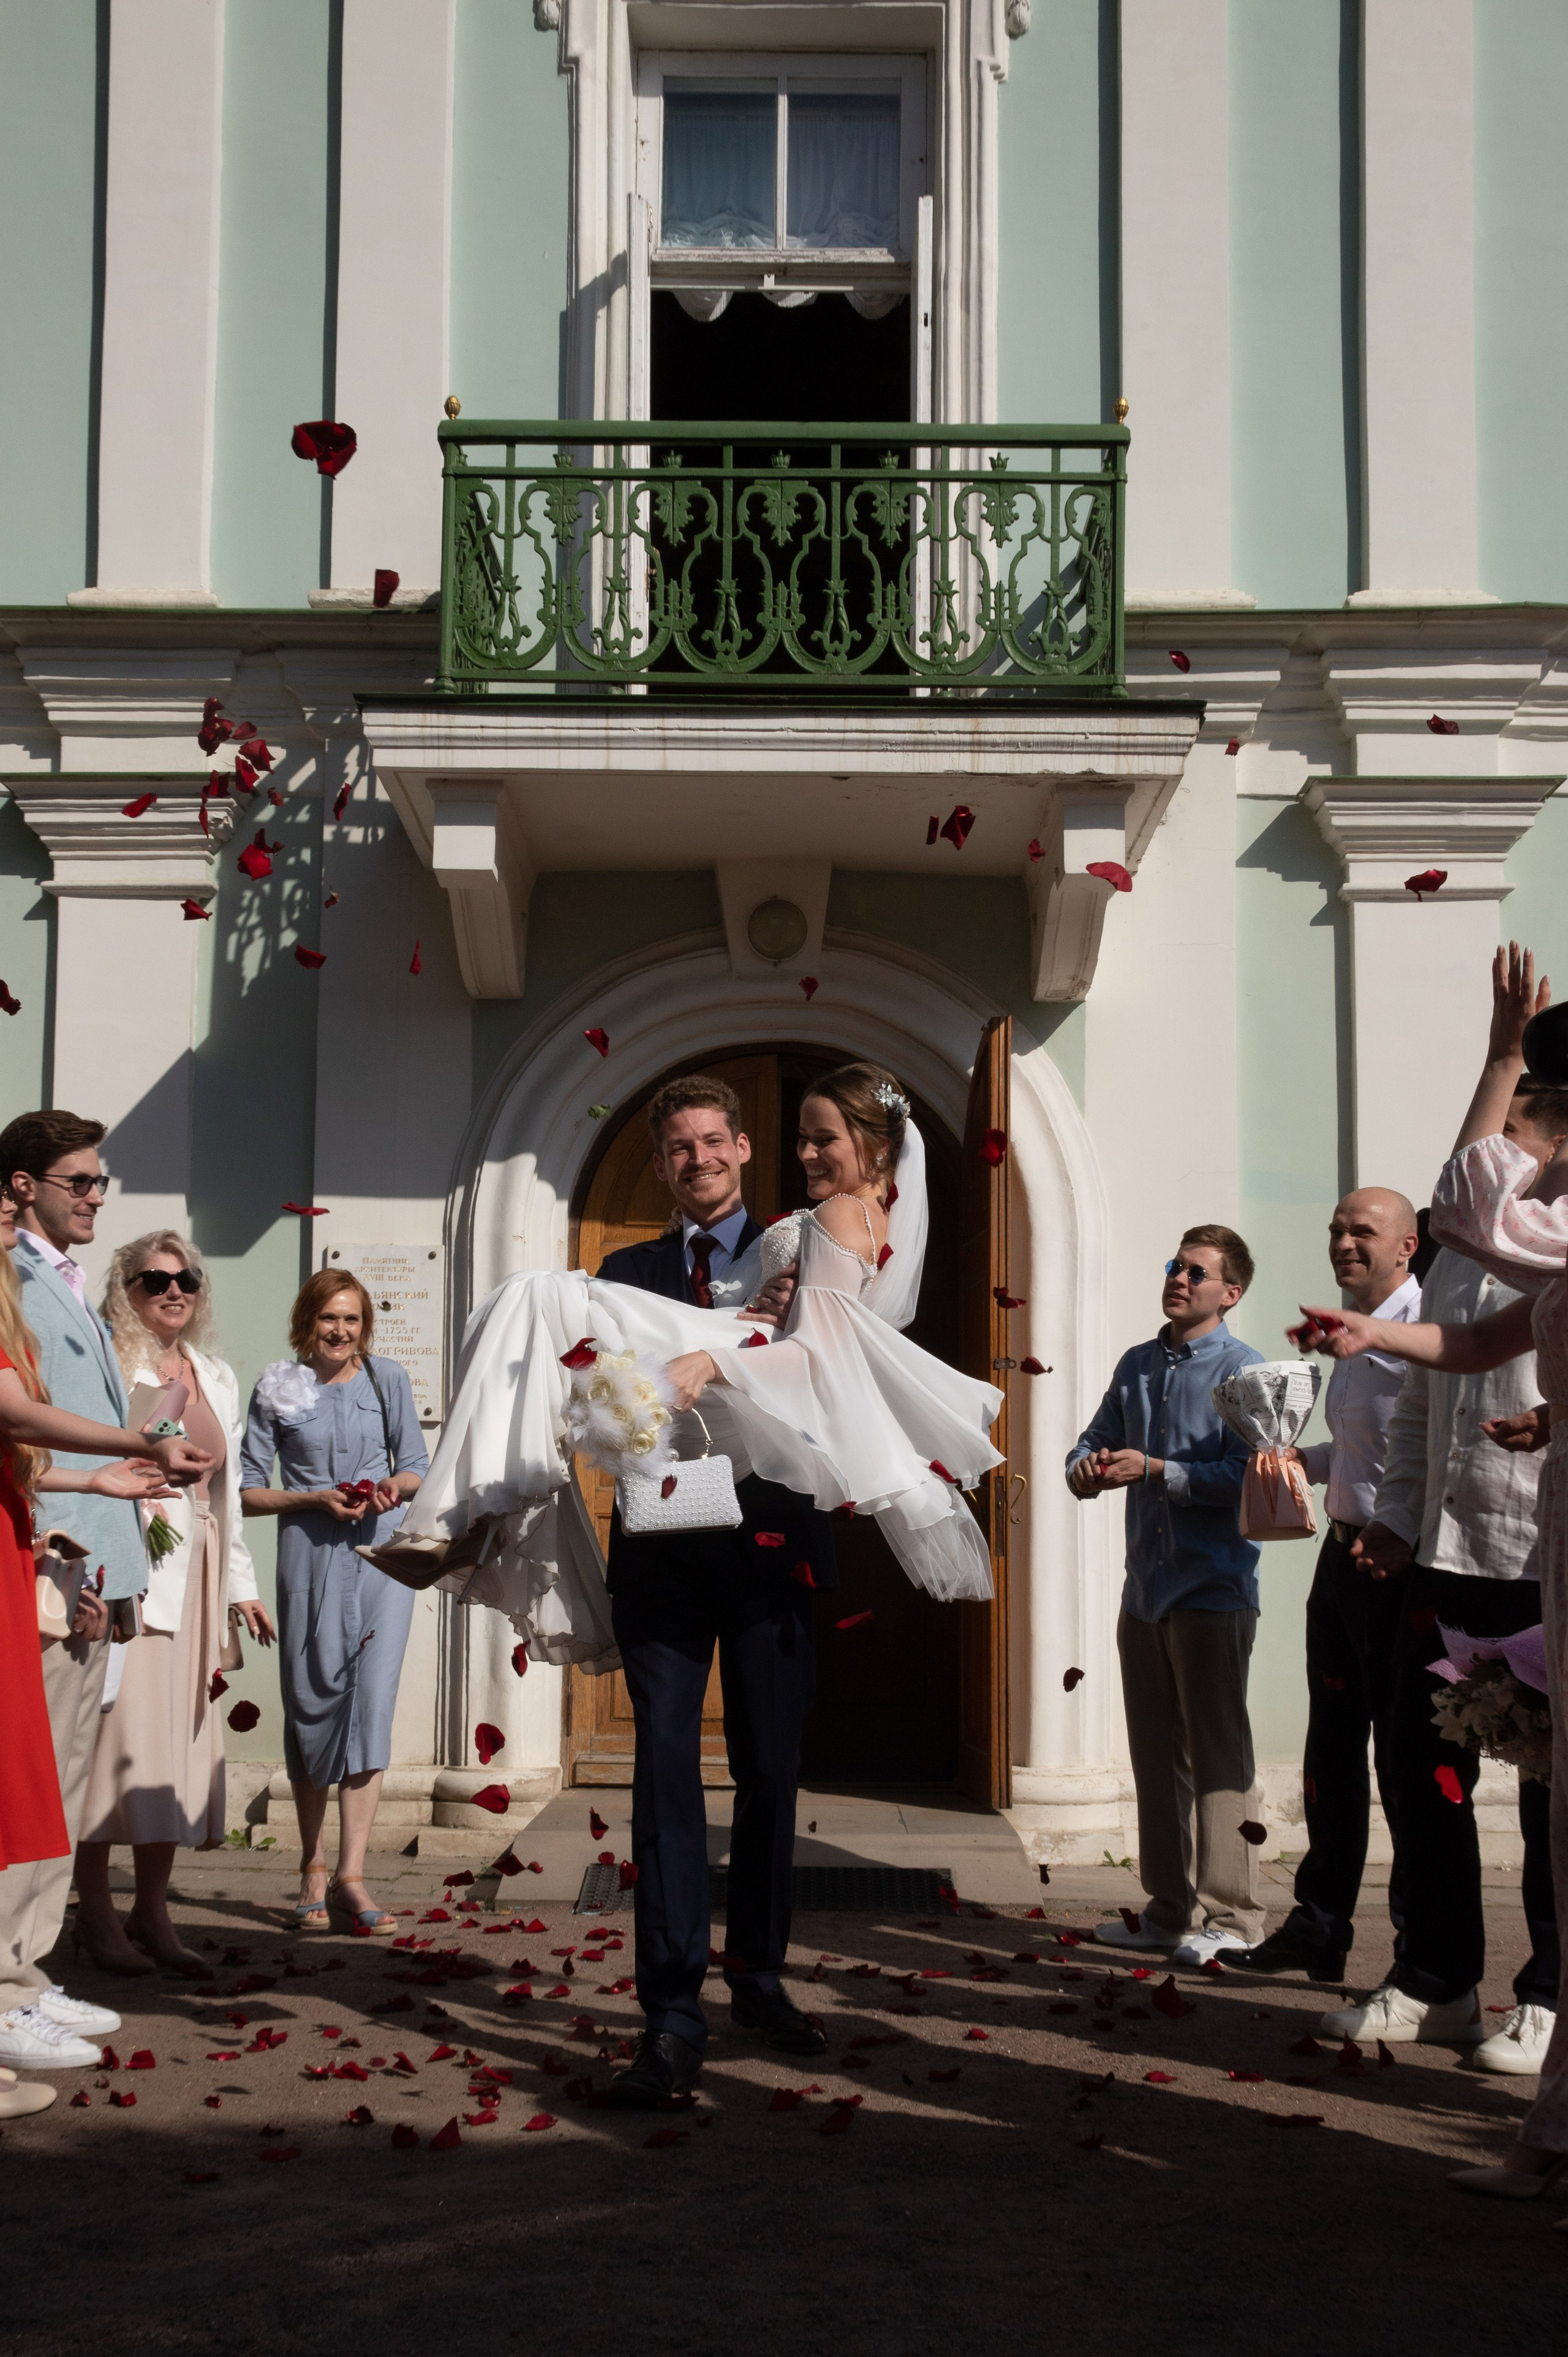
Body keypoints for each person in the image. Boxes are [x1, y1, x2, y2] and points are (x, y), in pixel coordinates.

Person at [369, 1064, 1001, 2103]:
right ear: (661, 1163)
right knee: (663, 1773)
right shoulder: (628, 1270)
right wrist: (633, 1409)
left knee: (768, 1771)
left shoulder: (803, 1242)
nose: (700, 1159)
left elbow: (830, 1372)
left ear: (742, 1150)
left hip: (770, 1546)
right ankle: (669, 2014)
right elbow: (596, 1412)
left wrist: (740, 1351)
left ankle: (757, 1976)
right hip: (662, 1542)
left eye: (717, 1141)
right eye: (679, 1147)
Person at [1297, 945, 1568, 2208]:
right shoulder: (1498, 1240)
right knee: (1428, 1766)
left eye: (1530, 1119)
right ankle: (1444, 1975)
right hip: (1467, 1541)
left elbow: (1465, 1197)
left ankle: (1545, 2004)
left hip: (1533, 1546)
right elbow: (1452, 1353)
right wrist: (1369, 1339)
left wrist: (1508, 1045)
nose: (1511, 1144)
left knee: (1553, 1805)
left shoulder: (1527, 1222)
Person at [0, 1110, 211, 2073]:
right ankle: (7, 1984)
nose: (94, 1194)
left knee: (64, 1778)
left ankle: (29, 1975)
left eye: (100, 1180)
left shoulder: (66, 1281)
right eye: (77, 1180)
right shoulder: (16, 1273)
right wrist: (115, 1463)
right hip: (53, 1549)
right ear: (24, 1183)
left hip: (96, 1545)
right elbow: (23, 1423)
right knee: (31, 1782)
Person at [73, 1233, 275, 1975]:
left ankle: (151, 1911)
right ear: (125, 1286)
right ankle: (93, 1914)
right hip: (132, 1576)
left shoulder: (212, 1372)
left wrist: (242, 1589)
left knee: (175, 1747)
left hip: (199, 1573)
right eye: (154, 1278)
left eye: (186, 1276)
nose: (173, 1289)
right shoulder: (107, 1363)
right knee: (116, 1748)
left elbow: (228, 1497)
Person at [1066, 1227, 1267, 1967]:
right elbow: (1088, 1441)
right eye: (1174, 1266)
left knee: (1218, 1756)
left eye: (1196, 1271)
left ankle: (1236, 1918)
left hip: (1213, 1589)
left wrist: (1157, 1470)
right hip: (1145, 1589)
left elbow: (1252, 1476)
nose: (1178, 1278)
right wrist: (1083, 1468)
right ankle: (1167, 1909)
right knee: (1156, 1755)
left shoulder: (1246, 1373)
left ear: (1230, 1292)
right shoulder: (1137, 1364)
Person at [1245, 1189, 1422, 1983]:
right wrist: (1288, 1461)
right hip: (1340, 1561)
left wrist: (1401, 1534)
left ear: (1408, 1246)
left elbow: (1432, 1460)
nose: (1345, 1242)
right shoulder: (1347, 1344)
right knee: (1332, 1748)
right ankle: (1321, 1924)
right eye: (1337, 1229)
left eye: (1363, 1230)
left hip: (1400, 1568)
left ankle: (1426, 1952)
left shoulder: (1423, 1338)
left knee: (1410, 1762)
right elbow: (1355, 1456)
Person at [239, 1272, 428, 1934]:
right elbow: (246, 1491)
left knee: (371, 1706)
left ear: (364, 1326)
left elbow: (418, 1465)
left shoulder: (388, 1379)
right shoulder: (278, 1387)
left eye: (351, 1320)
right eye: (328, 1318)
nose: (341, 1332)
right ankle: (312, 1866)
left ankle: (351, 1874)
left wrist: (389, 1489)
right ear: (306, 1321)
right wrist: (312, 1498)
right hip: (311, 1560)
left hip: (379, 1563)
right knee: (312, 1706)